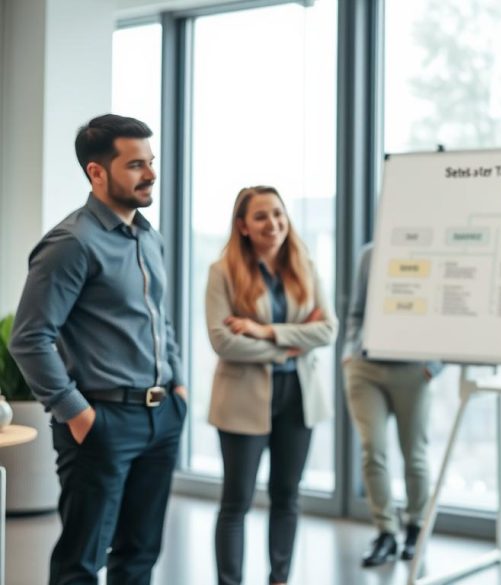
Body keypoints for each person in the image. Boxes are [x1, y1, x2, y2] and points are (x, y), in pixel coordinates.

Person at [9, 114, 188, 584]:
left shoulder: (150, 238)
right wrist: (79, 414)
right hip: (103, 422)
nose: (150, 174)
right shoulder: (72, 243)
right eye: (135, 165)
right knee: (82, 564)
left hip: (161, 417)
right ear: (97, 172)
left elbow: (159, 318)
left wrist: (179, 384)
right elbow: (29, 337)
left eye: (150, 162)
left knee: (140, 554)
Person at [205, 186, 337, 585]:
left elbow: (327, 329)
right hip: (242, 399)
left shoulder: (304, 264)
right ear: (243, 225)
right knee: (236, 502)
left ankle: (279, 578)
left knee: (287, 496)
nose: (273, 223)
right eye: (261, 216)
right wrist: (287, 347)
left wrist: (264, 331)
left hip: (298, 397)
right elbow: (222, 341)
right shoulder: (222, 271)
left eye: (278, 214)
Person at [343, 243, 442, 567]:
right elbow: (356, 311)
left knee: (414, 453)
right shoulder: (370, 254)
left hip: (414, 371)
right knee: (373, 449)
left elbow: (452, 311)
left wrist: (436, 363)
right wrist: (350, 350)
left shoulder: (435, 252)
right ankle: (385, 531)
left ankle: (415, 528)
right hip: (365, 368)